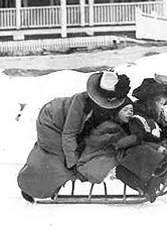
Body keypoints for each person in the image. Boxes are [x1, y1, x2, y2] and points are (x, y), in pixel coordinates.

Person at [17, 70, 131, 202]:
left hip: (63, 124)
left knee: (65, 157)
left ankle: (45, 181)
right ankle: (30, 186)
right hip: (51, 121)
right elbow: (69, 134)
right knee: (57, 159)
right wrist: (73, 163)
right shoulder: (80, 102)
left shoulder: (108, 104)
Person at [115, 74, 167, 202]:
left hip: (146, 146)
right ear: (152, 101)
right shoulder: (139, 113)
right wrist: (160, 148)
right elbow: (142, 135)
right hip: (134, 146)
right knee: (147, 155)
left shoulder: (157, 114)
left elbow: (161, 134)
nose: (162, 106)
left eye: (164, 103)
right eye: (160, 102)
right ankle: (146, 186)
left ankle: (157, 178)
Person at [75, 97, 136, 184]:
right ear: (117, 113)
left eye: (131, 110)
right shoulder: (109, 127)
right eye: (125, 110)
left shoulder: (123, 127)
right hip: (91, 160)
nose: (129, 112)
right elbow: (102, 143)